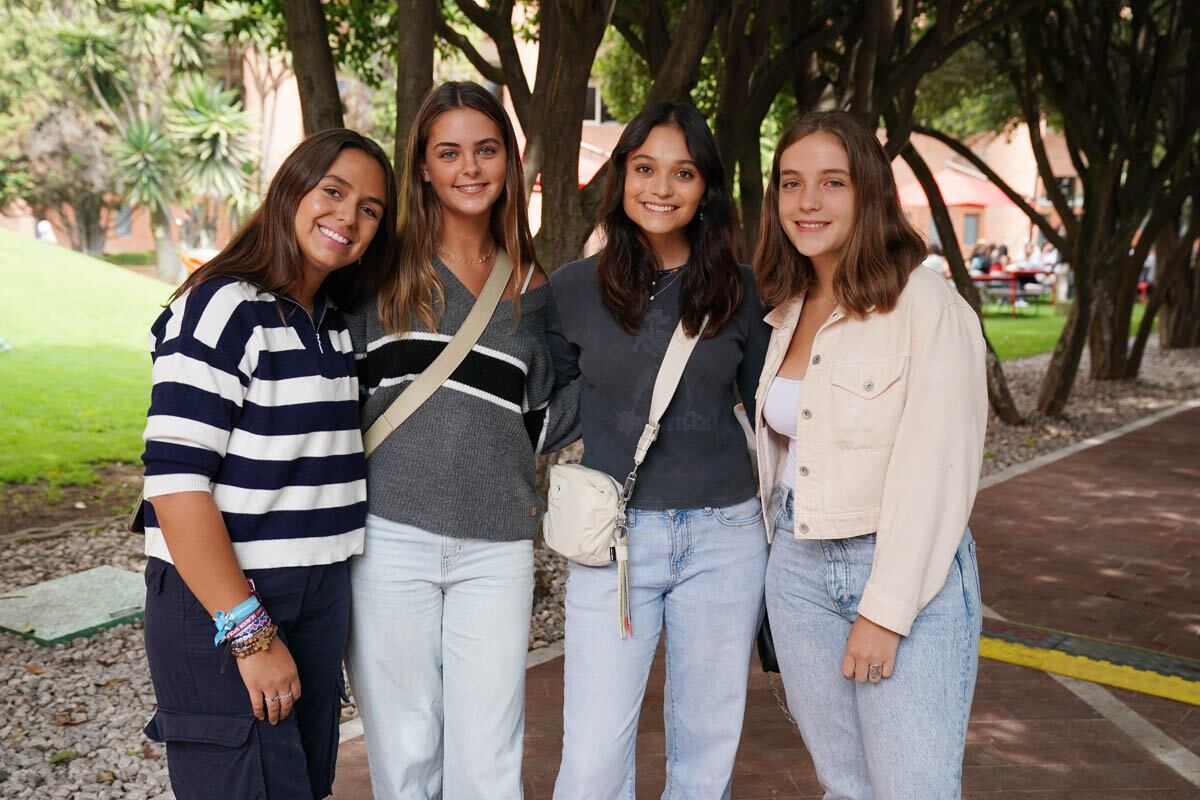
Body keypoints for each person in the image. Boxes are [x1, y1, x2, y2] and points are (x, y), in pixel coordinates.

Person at [139, 129, 399, 800]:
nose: (347, 217)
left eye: (370, 208)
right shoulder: (223, 306)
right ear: (292, 191)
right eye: (333, 191)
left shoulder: (332, 325)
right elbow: (175, 485)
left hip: (317, 595)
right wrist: (250, 633)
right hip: (225, 599)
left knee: (301, 786)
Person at [343, 81, 578, 800]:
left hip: (498, 547)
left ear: (509, 160)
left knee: (489, 754)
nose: (469, 168)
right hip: (389, 539)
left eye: (485, 149)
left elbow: (549, 414)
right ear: (422, 167)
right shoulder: (376, 276)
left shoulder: (536, 289)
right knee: (406, 748)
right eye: (449, 153)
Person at [752, 110, 987, 798]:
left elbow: (937, 472)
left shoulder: (927, 307)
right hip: (796, 569)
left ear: (870, 194)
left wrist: (884, 612)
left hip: (898, 569)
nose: (808, 202)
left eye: (832, 183)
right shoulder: (789, 305)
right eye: (791, 184)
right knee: (845, 787)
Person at [547, 101, 770, 799]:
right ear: (621, 177)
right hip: (616, 539)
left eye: (683, 173)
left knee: (705, 753)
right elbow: (548, 405)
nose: (661, 188)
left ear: (706, 187)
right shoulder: (571, 289)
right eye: (645, 169)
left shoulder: (741, 291)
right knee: (590, 757)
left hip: (726, 537)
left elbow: (773, 414)